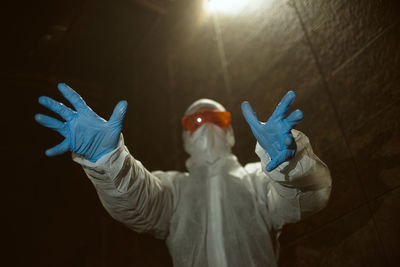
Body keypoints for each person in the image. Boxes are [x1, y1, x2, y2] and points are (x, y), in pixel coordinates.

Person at [35, 83, 332, 267]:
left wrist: (288, 165)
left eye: (217, 119)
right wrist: (108, 159)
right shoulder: (173, 190)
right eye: (195, 120)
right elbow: (138, 202)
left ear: (230, 131)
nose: (206, 125)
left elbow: (306, 199)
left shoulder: (258, 179)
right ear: (185, 137)